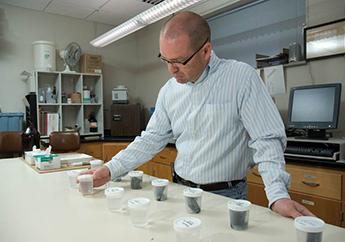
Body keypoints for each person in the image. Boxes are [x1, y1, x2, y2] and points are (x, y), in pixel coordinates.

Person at [86, 11, 313, 218]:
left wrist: (277, 195)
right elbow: (151, 139)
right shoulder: (169, 90)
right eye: (165, 60)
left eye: (179, 61)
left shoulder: (241, 78)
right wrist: (110, 169)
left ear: (206, 51)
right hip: (180, 190)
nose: (171, 70)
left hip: (226, 195)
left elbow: (266, 140)